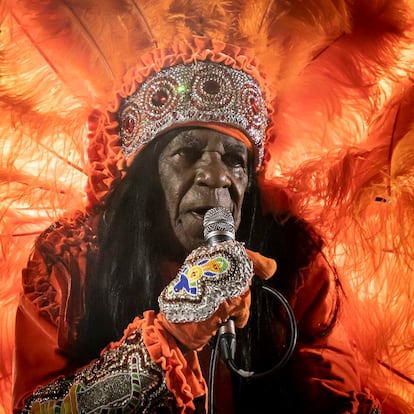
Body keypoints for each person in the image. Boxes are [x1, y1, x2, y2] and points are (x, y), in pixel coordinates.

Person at [3, 1, 413, 413]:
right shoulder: (71, 265)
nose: (216, 176)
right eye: (188, 152)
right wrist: (169, 336)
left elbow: (336, 398)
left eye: (235, 160)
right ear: (145, 175)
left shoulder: (295, 261)